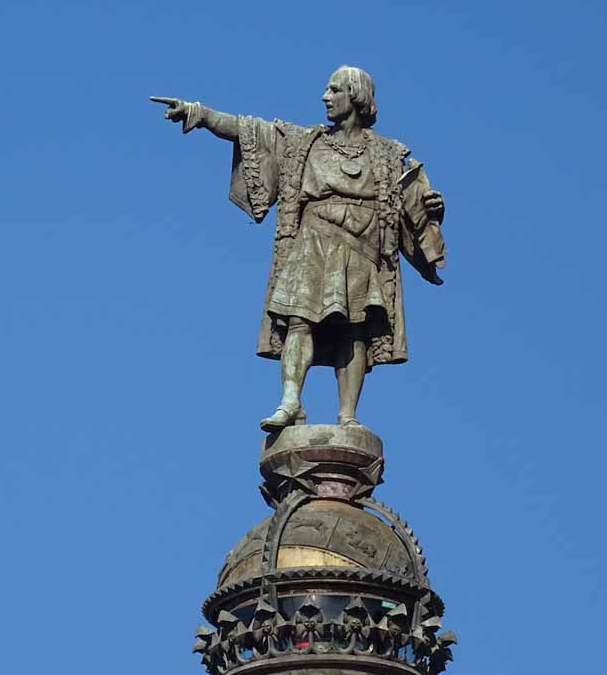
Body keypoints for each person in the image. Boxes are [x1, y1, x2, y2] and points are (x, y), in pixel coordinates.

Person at [151, 66, 446, 431]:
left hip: (363, 249)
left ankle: (347, 416)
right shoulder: (304, 142)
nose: (325, 96)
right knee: (298, 321)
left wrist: (433, 209)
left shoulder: (387, 155)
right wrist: (200, 114)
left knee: (354, 330)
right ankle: (291, 401)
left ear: (355, 96)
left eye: (333, 89)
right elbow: (248, 130)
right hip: (313, 241)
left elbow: (414, 212)